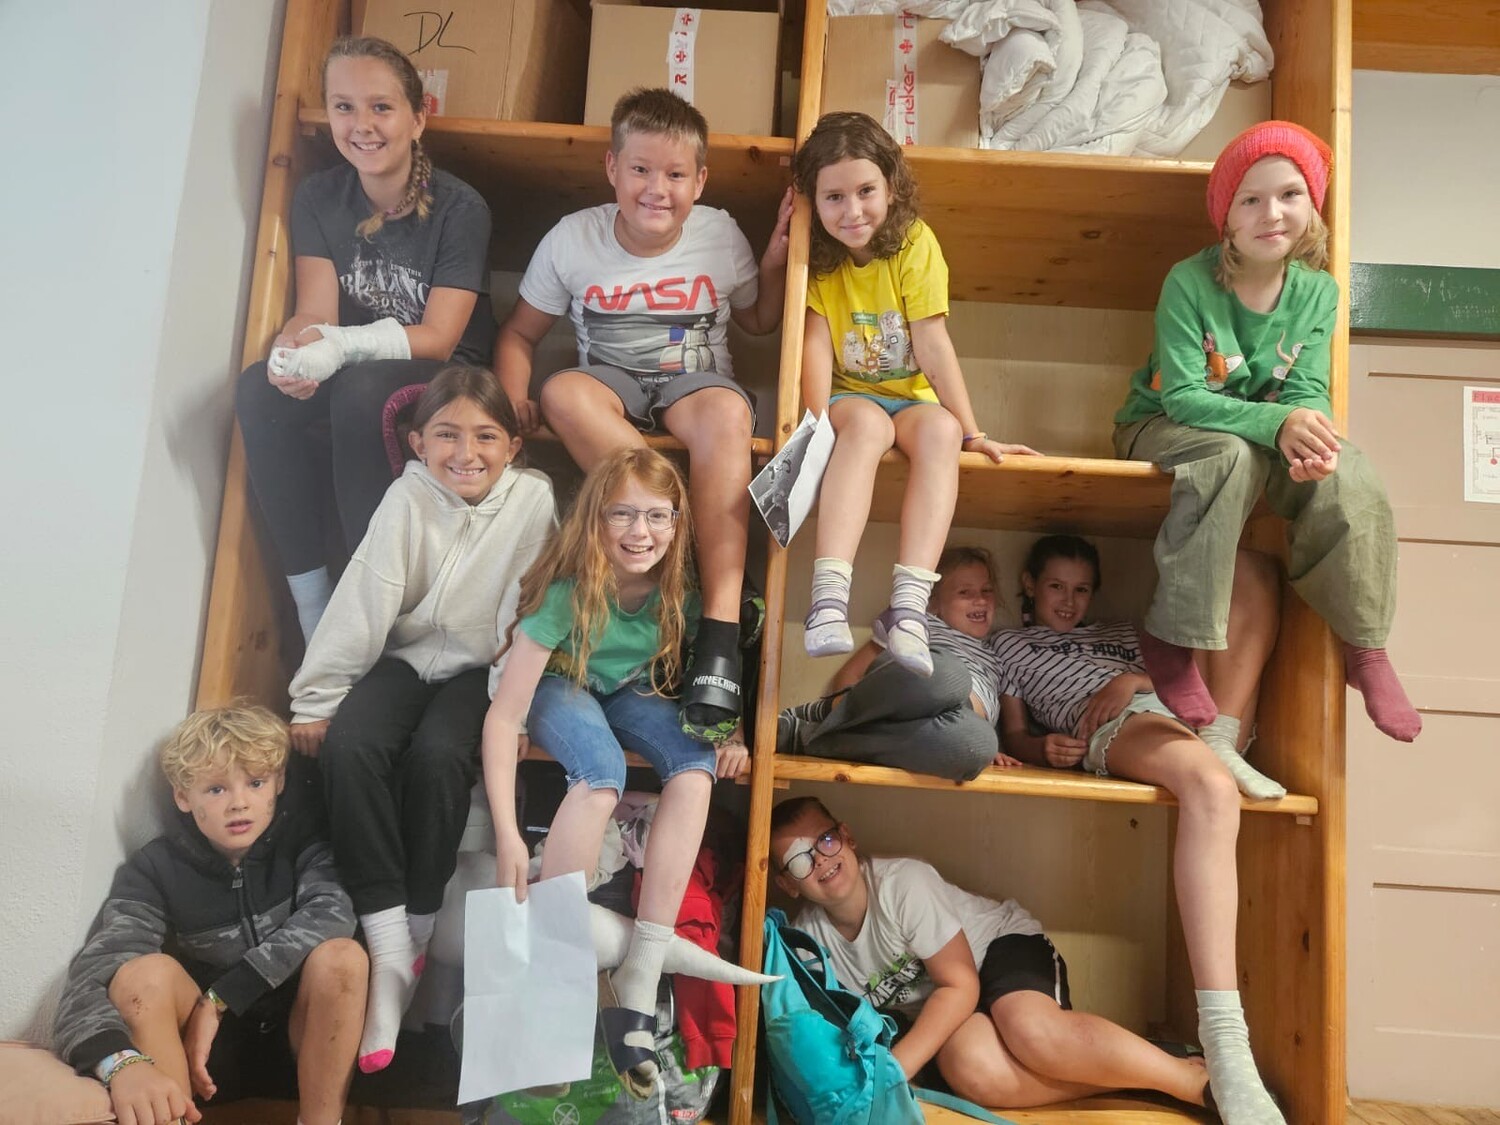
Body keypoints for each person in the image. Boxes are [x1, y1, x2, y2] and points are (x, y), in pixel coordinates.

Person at [494, 87, 793, 746]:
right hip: (611, 384)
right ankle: (694, 563)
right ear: (612, 168)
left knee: (727, 414)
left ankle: (717, 635)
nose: (657, 189)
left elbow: (759, 320)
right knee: (561, 393)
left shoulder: (719, 234)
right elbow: (518, 333)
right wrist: (513, 400)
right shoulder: (573, 238)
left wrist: (774, 260)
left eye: (676, 175)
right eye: (640, 170)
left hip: (695, 384)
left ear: (700, 181)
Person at [286, 365, 555, 1074]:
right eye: (446, 435)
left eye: (486, 436)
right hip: (406, 656)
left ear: (513, 446)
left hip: (482, 668)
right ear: (417, 442)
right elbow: (366, 595)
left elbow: (525, 611)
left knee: (439, 757)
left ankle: (419, 927)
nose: (465, 452)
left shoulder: (533, 500)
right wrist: (318, 697)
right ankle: (388, 948)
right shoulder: (407, 496)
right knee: (350, 746)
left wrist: (511, 709)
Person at [1113, 119, 1419, 742]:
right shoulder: (1189, 281)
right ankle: (1173, 634)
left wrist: (1311, 437)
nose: (1271, 213)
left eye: (1289, 194)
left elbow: (1305, 388)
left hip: (1261, 433)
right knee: (1231, 456)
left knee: (1350, 469)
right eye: (1250, 199)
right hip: (1165, 423)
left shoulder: (1319, 292)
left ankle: (1365, 645)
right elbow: (1184, 396)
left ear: (1312, 206)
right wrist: (1279, 422)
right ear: (1225, 218)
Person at [481, 447, 751, 1097]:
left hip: (628, 690)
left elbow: (710, 678)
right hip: (560, 685)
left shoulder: (679, 595)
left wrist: (733, 733)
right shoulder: (567, 593)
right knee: (601, 773)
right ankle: (555, 971)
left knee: (695, 765)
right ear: (595, 519)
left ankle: (642, 969)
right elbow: (502, 718)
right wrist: (509, 835)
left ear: (678, 523)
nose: (640, 531)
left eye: (658, 515)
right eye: (623, 514)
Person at [991, 535, 1284, 1124]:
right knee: (1212, 789)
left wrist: (1133, 679)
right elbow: (1015, 734)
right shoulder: (1013, 644)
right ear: (1028, 584)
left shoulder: (1122, 632)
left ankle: (1221, 741)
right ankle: (1227, 1043)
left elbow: (1174, 676)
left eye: (1081, 589)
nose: (1068, 600)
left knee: (1250, 565)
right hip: (1130, 726)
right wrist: (1044, 748)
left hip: (1196, 709)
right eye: (1055, 586)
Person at [236, 35, 499, 643]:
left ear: (418, 116)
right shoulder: (319, 196)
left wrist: (336, 349)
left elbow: (438, 338)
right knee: (257, 390)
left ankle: (367, 607)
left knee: (360, 391)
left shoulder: (460, 207)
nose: (362, 125)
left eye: (381, 107)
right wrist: (292, 354)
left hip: (447, 374)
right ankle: (314, 607)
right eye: (344, 107)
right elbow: (316, 311)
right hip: (354, 360)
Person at [792, 111, 1039, 678]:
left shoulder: (914, 244)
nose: (852, 211)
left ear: (891, 186)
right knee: (867, 427)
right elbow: (814, 344)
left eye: (865, 191)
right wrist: (813, 425)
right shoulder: (819, 257)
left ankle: (909, 609)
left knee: (943, 431)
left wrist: (973, 430)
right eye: (833, 197)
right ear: (813, 200)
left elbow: (931, 341)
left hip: (912, 397)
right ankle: (827, 598)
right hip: (852, 395)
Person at [769, 797, 1212, 1112]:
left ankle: (1192, 1082)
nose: (820, 860)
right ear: (788, 884)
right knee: (973, 1071)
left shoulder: (902, 884)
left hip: (996, 951)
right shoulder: (808, 943)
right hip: (951, 1008)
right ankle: (1144, 1072)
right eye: (799, 860)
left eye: (825, 840)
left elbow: (960, 985)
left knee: (1032, 1032)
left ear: (846, 837)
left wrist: (894, 1072)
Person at [53, 705, 366, 1125]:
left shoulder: (304, 837)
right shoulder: (154, 868)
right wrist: (120, 1063)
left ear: (279, 783)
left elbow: (333, 912)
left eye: (256, 783)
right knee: (142, 975)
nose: (239, 803)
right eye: (216, 789)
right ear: (183, 797)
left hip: (304, 1043)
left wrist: (221, 998)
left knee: (343, 956)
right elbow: (90, 979)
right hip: (206, 1061)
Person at [777, 545, 1022, 780]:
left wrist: (994, 751)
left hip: (951, 724)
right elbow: (851, 675)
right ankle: (826, 710)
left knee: (980, 745)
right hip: (921, 690)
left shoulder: (996, 654)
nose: (980, 600)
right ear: (933, 602)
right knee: (952, 676)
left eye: (987, 590)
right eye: (964, 593)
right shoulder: (918, 622)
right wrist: (840, 703)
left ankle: (803, 737)